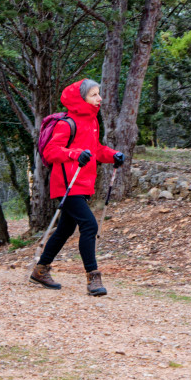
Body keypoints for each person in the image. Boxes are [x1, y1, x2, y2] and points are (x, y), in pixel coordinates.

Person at [31, 79, 124, 296]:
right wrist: (74, 154)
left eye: (98, 93)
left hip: (83, 184)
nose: (99, 98)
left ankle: (40, 270)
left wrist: (113, 155)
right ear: (81, 98)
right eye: (94, 95)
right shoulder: (67, 123)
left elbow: (95, 150)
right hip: (66, 184)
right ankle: (93, 277)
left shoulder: (92, 121)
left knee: (65, 229)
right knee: (89, 225)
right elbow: (51, 151)